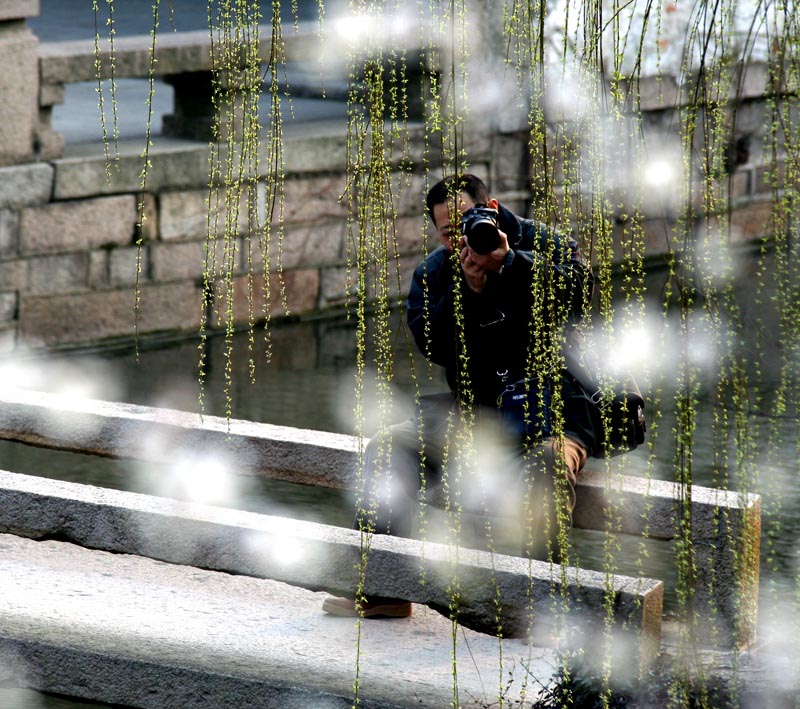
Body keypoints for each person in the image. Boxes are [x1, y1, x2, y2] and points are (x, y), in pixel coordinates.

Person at [323, 174, 598, 619]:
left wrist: (510, 264)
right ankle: (383, 590)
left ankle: (535, 608)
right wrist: (470, 291)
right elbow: (434, 346)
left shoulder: (540, 241)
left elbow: (582, 295)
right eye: (449, 232)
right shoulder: (435, 271)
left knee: (543, 468)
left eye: (469, 222)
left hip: (555, 409)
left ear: (490, 206)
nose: (463, 238)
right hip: (477, 411)